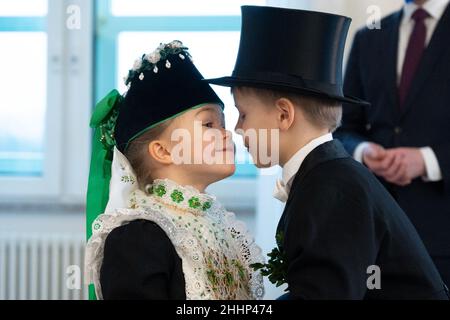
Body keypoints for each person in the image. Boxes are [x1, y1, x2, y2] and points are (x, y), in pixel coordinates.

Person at [205, 6, 449, 299]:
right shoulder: (328, 175)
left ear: (284, 115)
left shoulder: (330, 189)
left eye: (243, 114)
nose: (237, 128)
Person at [84, 40, 264, 300]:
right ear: (163, 151)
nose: (225, 134)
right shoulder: (137, 238)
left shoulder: (218, 227)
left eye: (222, 124)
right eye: (208, 124)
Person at [335, 0, 450, 287]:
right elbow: (343, 128)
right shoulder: (369, 36)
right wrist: (363, 151)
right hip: (375, 231)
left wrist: (428, 160)